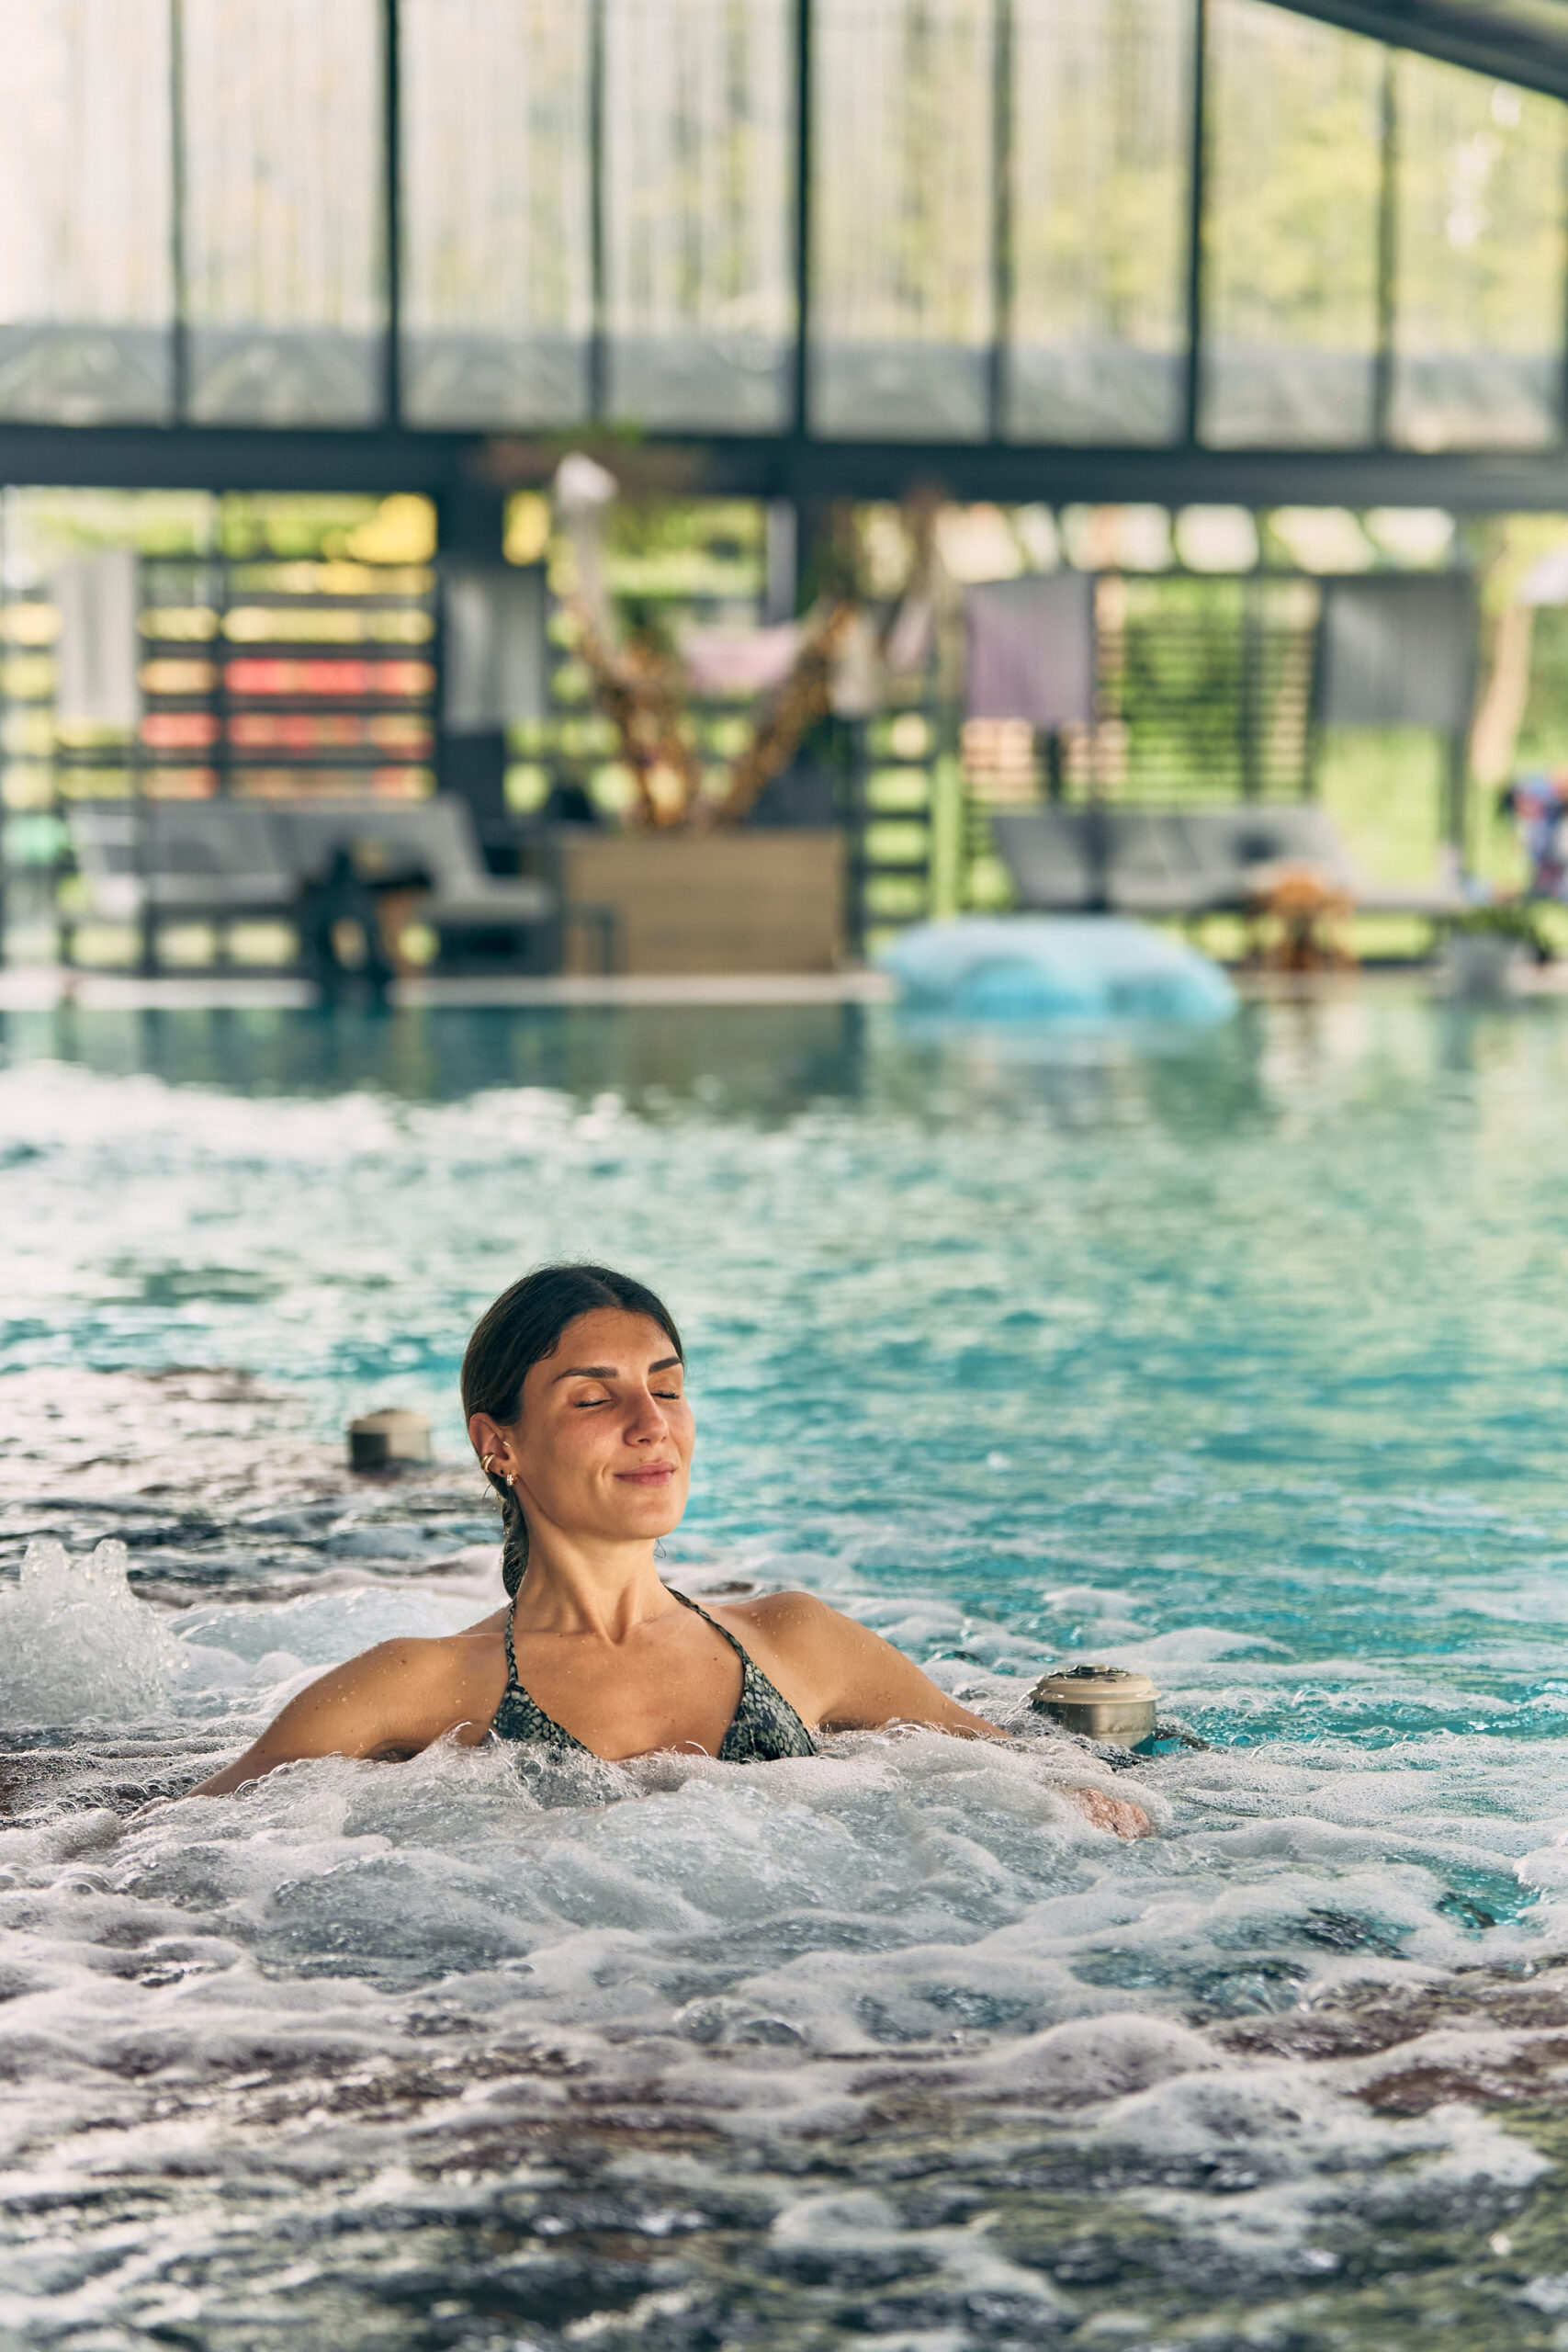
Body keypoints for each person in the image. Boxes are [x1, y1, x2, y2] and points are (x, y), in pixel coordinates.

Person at [192, 1264, 1149, 1838]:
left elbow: (1016, 1766)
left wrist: (1081, 1801)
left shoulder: (795, 1639)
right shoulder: (424, 1685)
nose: (653, 1423)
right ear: (500, 1445)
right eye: (594, 1395)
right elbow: (169, 1842)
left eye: (668, 1385)